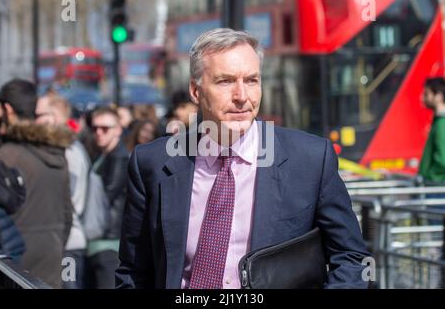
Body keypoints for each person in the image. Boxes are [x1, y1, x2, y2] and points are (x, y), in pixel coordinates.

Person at [115, 28, 370, 289]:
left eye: (251, 80)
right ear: (195, 91)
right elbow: (134, 272)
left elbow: (351, 257)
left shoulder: (310, 160)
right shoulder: (153, 163)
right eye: (225, 81)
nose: (241, 96)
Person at [0, 79, 73, 288]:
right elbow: (67, 214)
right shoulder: (57, 151)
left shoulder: (5, 157)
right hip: (52, 261)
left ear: (8, 110)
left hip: (13, 266)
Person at [35, 93, 91, 289]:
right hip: (59, 242)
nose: (34, 120)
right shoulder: (62, 149)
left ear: (54, 117)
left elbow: (68, 199)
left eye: (39, 114)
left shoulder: (69, 151)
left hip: (68, 245)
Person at [87, 107, 129, 289]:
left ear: (118, 129)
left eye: (105, 128)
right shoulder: (104, 155)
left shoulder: (119, 158)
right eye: (95, 128)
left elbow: (106, 196)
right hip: (100, 240)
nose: (98, 133)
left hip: (109, 242)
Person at [419, 77, 445, 184]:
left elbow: (443, 160)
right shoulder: (438, 121)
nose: (422, 98)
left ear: (438, 96)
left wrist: (429, 177)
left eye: (426, 94)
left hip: (435, 186)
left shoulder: (441, 123)